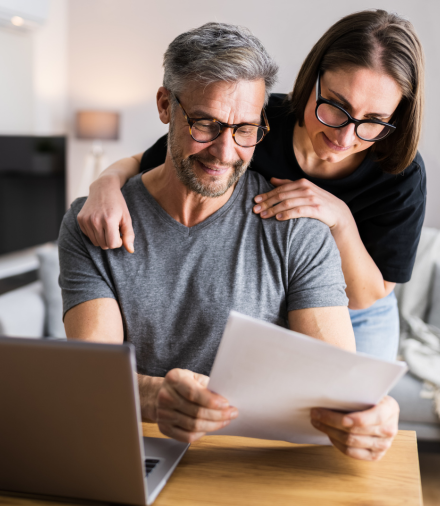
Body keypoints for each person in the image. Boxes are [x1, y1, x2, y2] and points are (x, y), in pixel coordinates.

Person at [60, 23, 399, 462]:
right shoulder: (96, 222)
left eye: (245, 130)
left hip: (252, 468)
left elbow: (338, 386)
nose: (224, 152)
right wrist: (153, 397)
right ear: (165, 106)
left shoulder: (298, 228)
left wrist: (376, 412)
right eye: (206, 124)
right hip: (134, 455)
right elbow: (92, 375)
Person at [77, 10, 426, 363]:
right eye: (336, 107)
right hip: (284, 292)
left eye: (373, 121)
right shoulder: (251, 119)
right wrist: (105, 184)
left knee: (353, 406)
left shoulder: (400, 172)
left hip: (359, 311)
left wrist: (340, 219)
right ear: (312, 80)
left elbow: (368, 295)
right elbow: (151, 161)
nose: (345, 135)